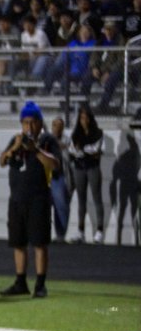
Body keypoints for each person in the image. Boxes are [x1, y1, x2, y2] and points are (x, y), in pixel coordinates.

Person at [0, 101, 58, 298]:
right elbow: (2, 161)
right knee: (18, 243)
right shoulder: (16, 139)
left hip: (38, 198)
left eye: (33, 122)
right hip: (17, 199)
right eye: (25, 123)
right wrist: (14, 148)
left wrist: (35, 150)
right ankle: (20, 282)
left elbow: (55, 165)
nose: (29, 127)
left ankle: (40, 285)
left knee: (39, 243)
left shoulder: (47, 140)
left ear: (40, 123)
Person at [68, 104, 105, 244]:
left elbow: (95, 149)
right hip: (79, 168)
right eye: (82, 118)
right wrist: (84, 151)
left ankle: (99, 230)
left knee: (97, 198)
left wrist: (83, 150)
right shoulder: (76, 134)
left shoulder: (98, 133)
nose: (84, 121)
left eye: (86, 118)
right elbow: (72, 151)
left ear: (90, 119)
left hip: (93, 167)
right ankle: (81, 231)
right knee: (81, 199)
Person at [49, 117, 71, 243]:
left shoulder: (67, 140)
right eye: (55, 125)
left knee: (61, 205)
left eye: (59, 126)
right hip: (46, 177)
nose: (57, 128)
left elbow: (69, 153)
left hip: (59, 176)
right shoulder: (46, 139)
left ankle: (60, 234)